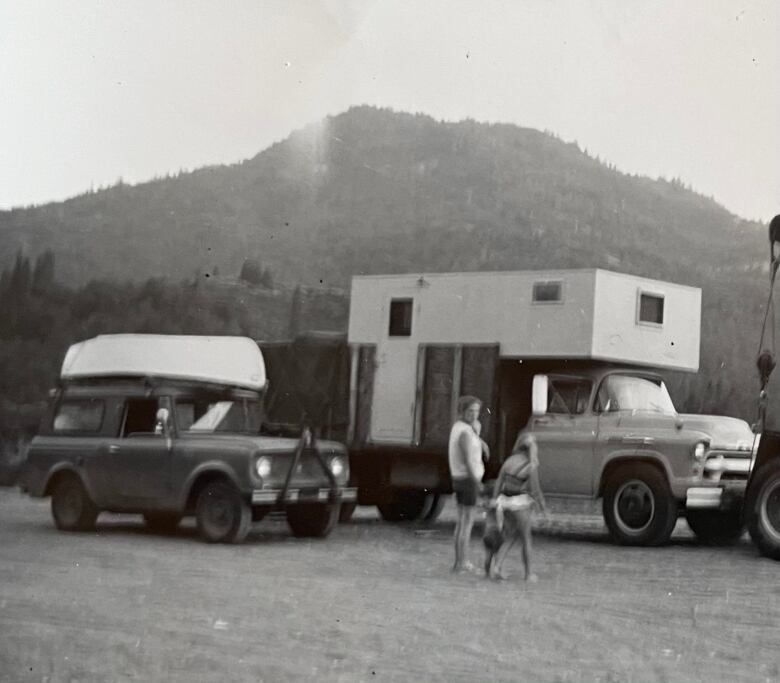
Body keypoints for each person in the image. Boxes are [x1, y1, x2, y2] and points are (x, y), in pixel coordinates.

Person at [487, 433, 548, 582]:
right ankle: (528, 574)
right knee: (526, 539)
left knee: (508, 536)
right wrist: (543, 508)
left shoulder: (509, 461)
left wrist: (495, 500)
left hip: (505, 502)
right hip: (520, 504)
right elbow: (535, 490)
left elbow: (499, 483)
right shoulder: (530, 464)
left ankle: (497, 567)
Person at [448, 395, 485, 573]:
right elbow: (468, 459)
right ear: (462, 411)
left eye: (477, 411)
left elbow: (472, 442)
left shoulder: (461, 427)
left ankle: (459, 562)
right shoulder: (464, 432)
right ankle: (462, 562)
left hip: (459, 479)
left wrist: (481, 442)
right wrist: (476, 482)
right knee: (466, 523)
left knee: (462, 521)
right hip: (468, 480)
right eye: (470, 411)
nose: (474, 414)